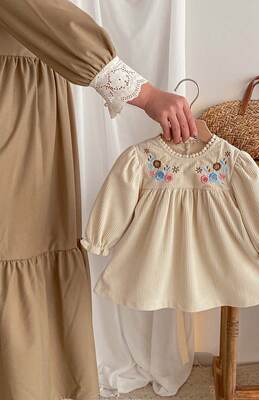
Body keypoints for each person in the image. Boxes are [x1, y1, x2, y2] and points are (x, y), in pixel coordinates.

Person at [0, 1, 196, 399]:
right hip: (12, 93)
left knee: (31, 236)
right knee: (15, 239)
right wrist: (144, 94)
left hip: (29, 84)